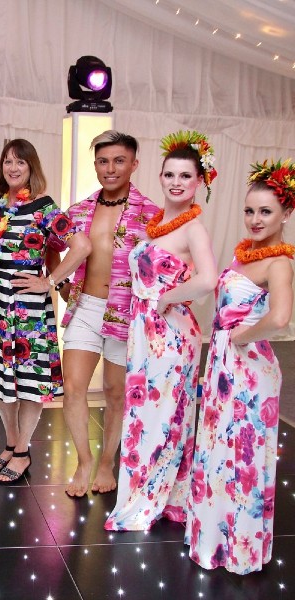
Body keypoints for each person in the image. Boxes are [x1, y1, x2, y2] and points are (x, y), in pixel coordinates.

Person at [185, 159, 295, 574]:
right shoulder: (246, 253)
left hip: (250, 372)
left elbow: (281, 317)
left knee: (241, 456)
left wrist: (241, 338)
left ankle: (239, 549)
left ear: (287, 214)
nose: (255, 219)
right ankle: (212, 539)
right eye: (249, 210)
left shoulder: (278, 262)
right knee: (216, 450)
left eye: (265, 211)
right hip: (224, 366)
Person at [105, 130, 218, 531]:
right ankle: (158, 490)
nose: (176, 182)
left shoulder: (193, 229)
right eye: (170, 174)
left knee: (162, 414)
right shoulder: (158, 223)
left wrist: (168, 298)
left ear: (199, 182)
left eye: (185, 176)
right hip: (145, 330)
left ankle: (153, 494)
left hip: (170, 334)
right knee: (148, 413)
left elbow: (208, 280)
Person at [0, 138, 91, 484]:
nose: (13, 167)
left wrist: (49, 281)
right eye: (7, 161)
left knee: (29, 381)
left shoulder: (44, 207)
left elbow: (81, 245)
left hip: (28, 307)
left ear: (31, 167)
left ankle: (23, 452)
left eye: (20, 162)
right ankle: (10, 444)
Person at [47, 130, 158, 497]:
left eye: (118, 161)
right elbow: (48, 244)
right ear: (95, 164)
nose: (110, 169)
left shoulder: (153, 217)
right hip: (86, 306)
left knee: (114, 392)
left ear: (134, 164)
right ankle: (82, 460)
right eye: (103, 161)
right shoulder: (77, 211)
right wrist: (60, 284)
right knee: (73, 387)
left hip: (126, 314)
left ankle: (107, 461)